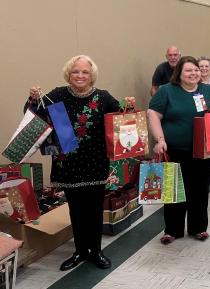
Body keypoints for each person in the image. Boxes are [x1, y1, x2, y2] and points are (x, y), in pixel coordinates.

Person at [27, 55, 120, 271]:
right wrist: (32, 99)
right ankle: (80, 251)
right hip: (68, 164)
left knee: (94, 210)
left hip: (96, 163)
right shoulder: (57, 95)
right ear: (69, 74)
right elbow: (34, 117)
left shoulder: (103, 97)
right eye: (75, 71)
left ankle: (96, 251)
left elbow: (120, 116)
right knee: (76, 211)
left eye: (85, 72)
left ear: (92, 75)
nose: (80, 75)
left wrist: (128, 106)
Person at [148, 56, 210, 244]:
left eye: (196, 70)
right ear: (179, 73)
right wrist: (160, 139)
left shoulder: (209, 89)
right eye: (188, 70)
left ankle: (198, 228)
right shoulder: (166, 91)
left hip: (204, 150)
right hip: (174, 149)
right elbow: (153, 114)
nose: (194, 73)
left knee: (200, 189)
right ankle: (172, 230)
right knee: (173, 189)